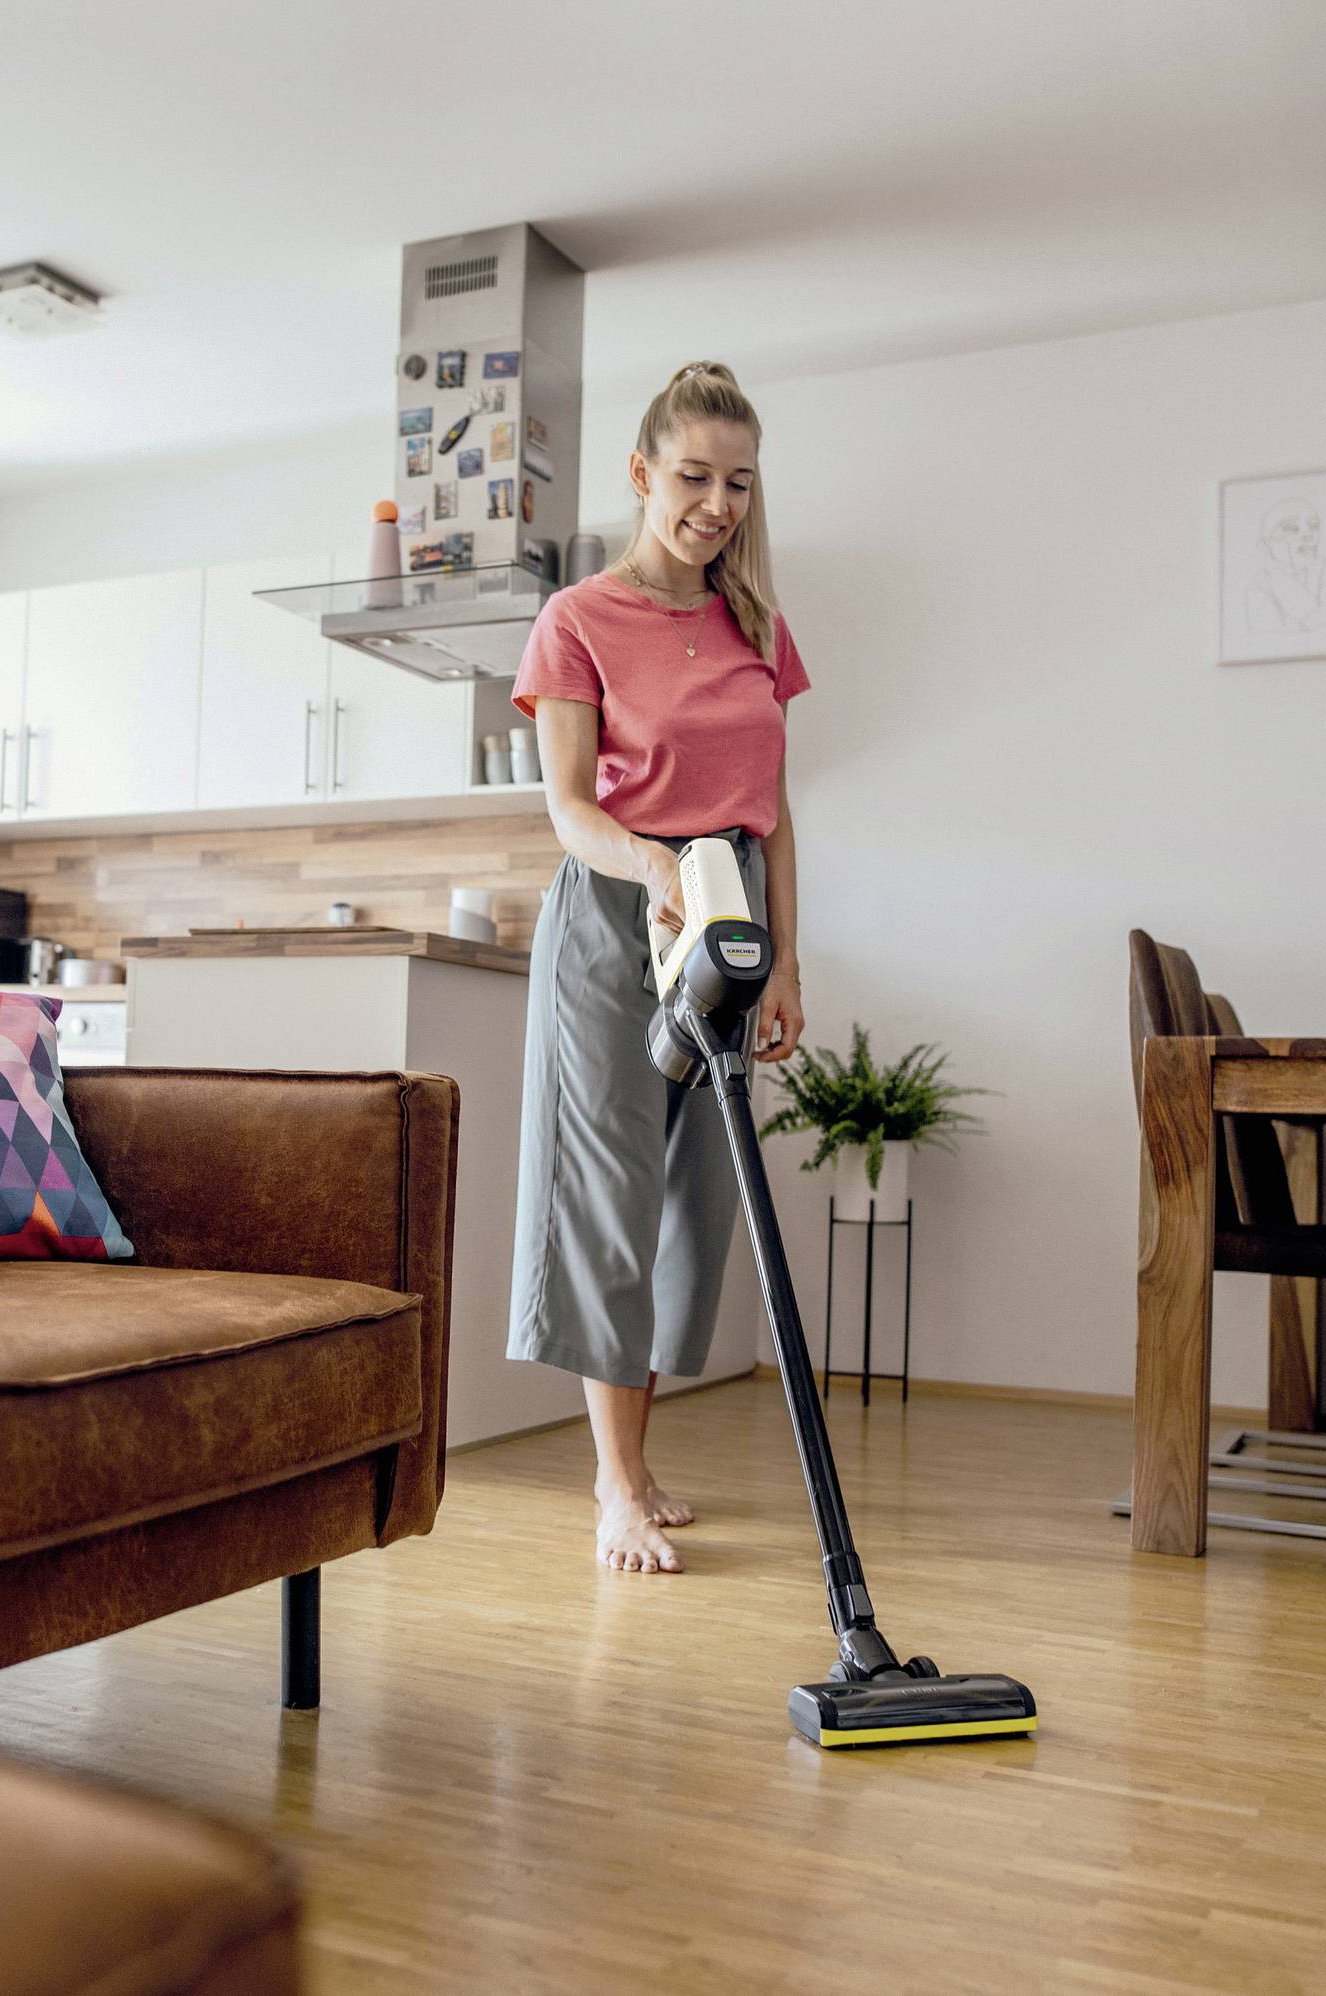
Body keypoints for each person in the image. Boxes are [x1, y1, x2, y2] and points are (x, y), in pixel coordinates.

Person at [507, 360, 808, 1575]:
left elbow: (778, 811)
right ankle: (614, 1486)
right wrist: (656, 865)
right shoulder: (578, 620)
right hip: (617, 913)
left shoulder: (759, 626)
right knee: (609, 1196)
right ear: (642, 473)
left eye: (738, 481)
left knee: (699, 1191)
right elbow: (570, 810)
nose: (717, 502)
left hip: (728, 912)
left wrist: (786, 958)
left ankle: (638, 1460)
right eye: (693, 476)